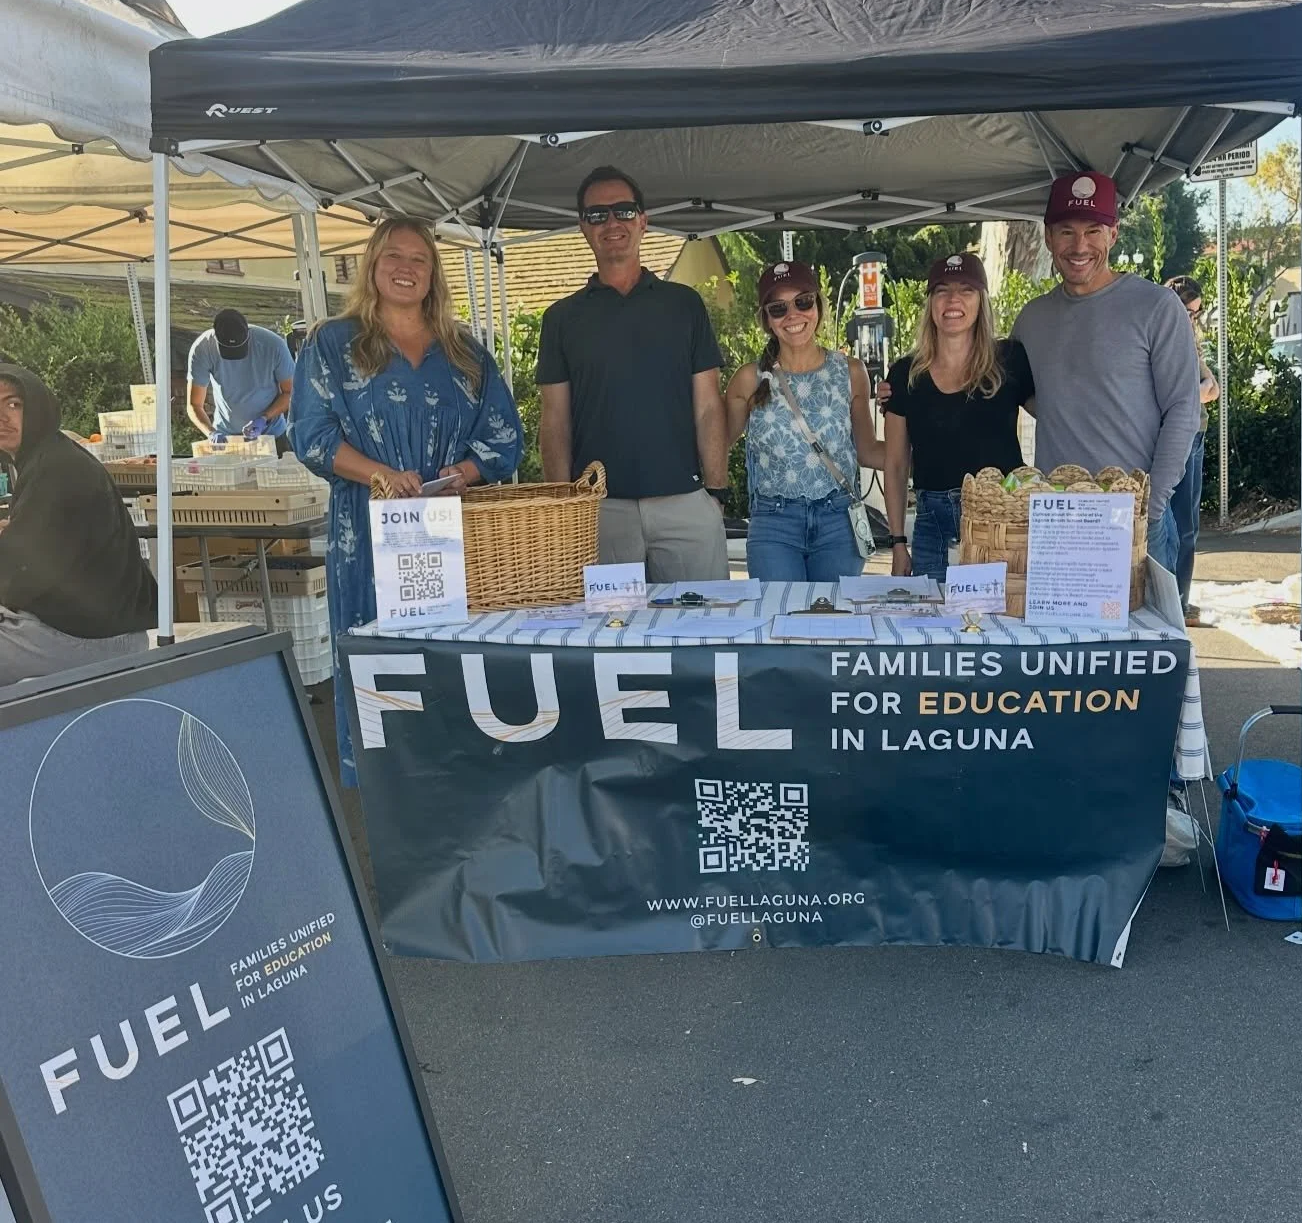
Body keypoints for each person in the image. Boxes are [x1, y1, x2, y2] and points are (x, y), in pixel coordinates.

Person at [290, 219, 522, 782]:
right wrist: (382, 474)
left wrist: (464, 471)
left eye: (420, 259)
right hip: (368, 535)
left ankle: (453, 784)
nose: (406, 267)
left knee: (449, 660)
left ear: (434, 274)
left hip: (447, 534)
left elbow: (504, 438)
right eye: (393, 255)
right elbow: (311, 436)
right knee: (379, 659)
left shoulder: (464, 350)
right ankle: (386, 790)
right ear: (372, 264)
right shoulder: (333, 343)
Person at [538, 167, 729, 581]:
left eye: (623, 211)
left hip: (685, 506)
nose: (611, 223)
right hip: (600, 512)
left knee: (702, 635)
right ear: (583, 228)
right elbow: (554, 420)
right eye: (597, 215)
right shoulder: (560, 319)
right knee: (607, 638)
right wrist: (562, 506)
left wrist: (715, 493)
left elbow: (709, 406)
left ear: (642, 220)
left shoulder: (685, 305)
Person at [1011, 173, 1200, 572]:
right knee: (1058, 635)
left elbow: (1183, 409)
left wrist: (1149, 508)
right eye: (1066, 231)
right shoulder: (1032, 319)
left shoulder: (1157, 307)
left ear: (1113, 234)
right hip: (1059, 520)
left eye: (1093, 231)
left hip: (1134, 518)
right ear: (1047, 237)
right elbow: (1007, 388)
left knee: (1147, 635)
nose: (1079, 246)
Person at [723, 261, 882, 581]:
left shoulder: (851, 372)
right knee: (777, 622)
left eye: (803, 302)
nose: (793, 315)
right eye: (778, 308)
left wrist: (925, 450)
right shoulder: (748, 380)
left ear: (818, 306)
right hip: (773, 522)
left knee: (835, 623)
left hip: (839, 521)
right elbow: (717, 445)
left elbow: (868, 451)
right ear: (767, 320)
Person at [880, 253, 1034, 582]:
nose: (953, 300)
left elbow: (1062, 415)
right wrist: (896, 542)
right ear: (930, 302)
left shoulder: (1010, 360)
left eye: (966, 290)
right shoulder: (905, 374)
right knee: (934, 626)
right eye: (941, 290)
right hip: (932, 524)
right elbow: (894, 464)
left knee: (1000, 623)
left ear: (982, 301)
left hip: (1001, 519)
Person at [0, 363, 155, 687]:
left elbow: (21, 577)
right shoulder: (48, 456)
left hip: (90, 638)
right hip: (98, 628)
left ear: (39, 408)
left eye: (14, 404)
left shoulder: (55, 469)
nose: (3, 416)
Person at [1164, 275, 1219, 622]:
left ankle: (1180, 600)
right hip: (1174, 435)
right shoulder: (1161, 336)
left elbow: (1211, 386)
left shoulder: (1190, 339)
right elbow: (1189, 391)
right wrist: (1195, 392)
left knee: (1187, 524)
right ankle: (1171, 603)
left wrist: (1197, 391)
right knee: (1171, 520)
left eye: (1196, 313)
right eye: (1186, 311)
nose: (1191, 319)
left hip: (1195, 431)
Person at [187, 310, 294, 446]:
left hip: (272, 435)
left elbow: (290, 392)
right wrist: (211, 433)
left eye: (239, 349)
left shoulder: (273, 346)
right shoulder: (202, 349)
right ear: (215, 337)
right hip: (227, 439)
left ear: (248, 334)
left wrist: (264, 418)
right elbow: (194, 404)